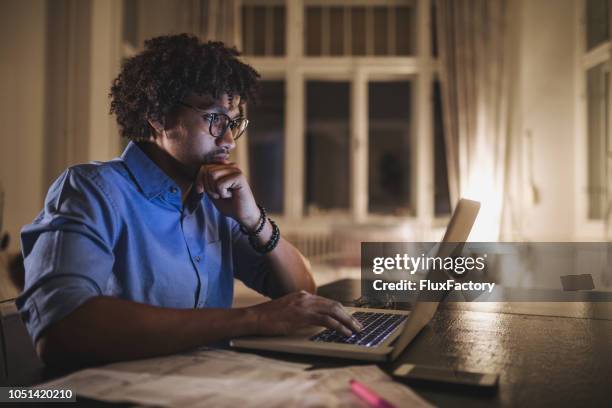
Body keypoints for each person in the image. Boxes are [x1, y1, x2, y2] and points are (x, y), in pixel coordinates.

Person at [16, 34, 361, 367]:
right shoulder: (92, 190)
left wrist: (254, 219)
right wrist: (251, 318)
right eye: (214, 118)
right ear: (159, 116)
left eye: (234, 121)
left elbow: (302, 290)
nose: (229, 139)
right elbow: (62, 329)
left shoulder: (216, 202)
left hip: (207, 383)